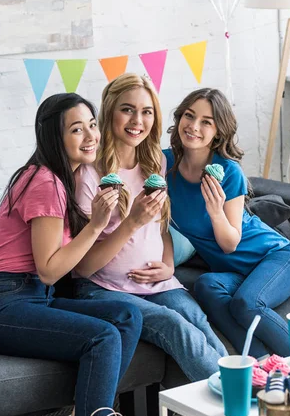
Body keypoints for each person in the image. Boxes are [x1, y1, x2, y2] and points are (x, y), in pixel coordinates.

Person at [0, 93, 143, 416]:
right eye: (77, 130)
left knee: (127, 315)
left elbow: (55, 275)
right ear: (55, 137)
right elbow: (49, 270)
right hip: (3, 305)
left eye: (92, 125)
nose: (91, 135)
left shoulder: (64, 178)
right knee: (104, 337)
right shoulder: (45, 181)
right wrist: (95, 225)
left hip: (36, 298)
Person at [73, 74, 227, 382]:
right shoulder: (88, 175)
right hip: (102, 289)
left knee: (197, 318)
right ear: (109, 111)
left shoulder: (154, 163)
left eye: (146, 112)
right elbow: (83, 267)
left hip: (157, 284)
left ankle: (246, 390)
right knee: (175, 325)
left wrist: (168, 266)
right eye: (127, 109)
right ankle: (239, 407)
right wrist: (131, 222)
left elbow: (161, 228)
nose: (137, 120)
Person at [164, 88, 290, 358]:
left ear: (218, 130)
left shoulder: (228, 172)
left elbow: (229, 244)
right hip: (234, 272)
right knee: (205, 285)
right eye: (189, 116)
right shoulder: (164, 165)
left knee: (246, 304)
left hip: (274, 257)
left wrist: (215, 212)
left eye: (207, 121)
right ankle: (260, 366)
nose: (193, 126)